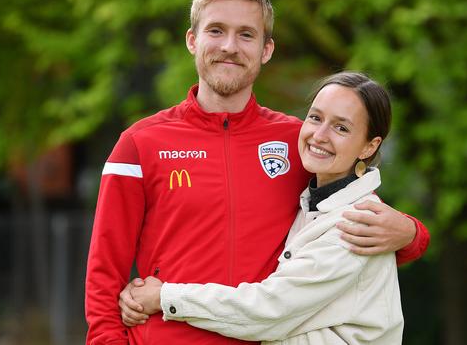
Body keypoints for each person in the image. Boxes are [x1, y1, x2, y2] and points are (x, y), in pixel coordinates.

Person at [84, 0, 429, 344]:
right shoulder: (140, 144)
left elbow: (350, 221)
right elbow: (105, 274)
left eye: (246, 35)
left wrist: (411, 233)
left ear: (266, 50)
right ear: (192, 40)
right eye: (216, 30)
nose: (229, 47)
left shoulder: (300, 144)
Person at [125, 71, 405, 344]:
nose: (319, 135)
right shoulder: (313, 201)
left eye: (341, 127)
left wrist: (165, 297)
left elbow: (271, 309)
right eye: (315, 118)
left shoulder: (357, 223)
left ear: (370, 146)